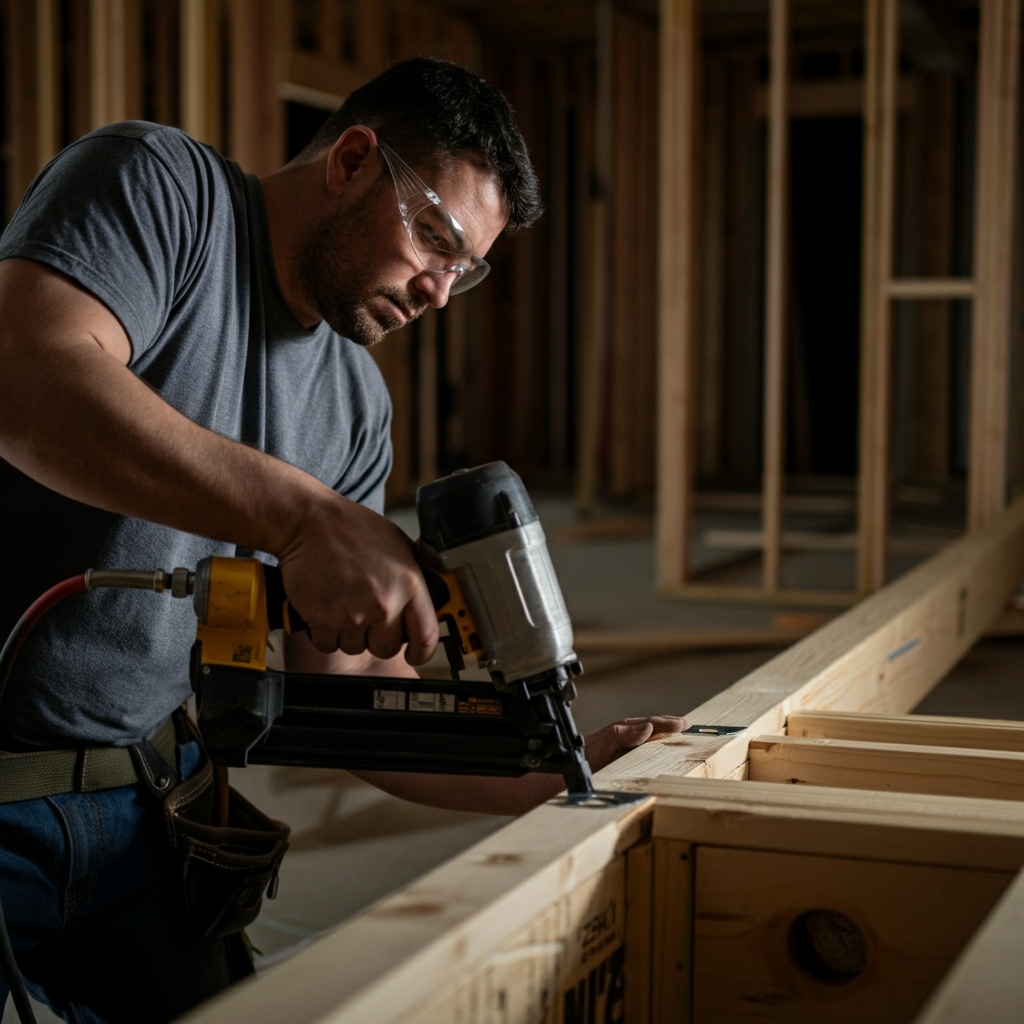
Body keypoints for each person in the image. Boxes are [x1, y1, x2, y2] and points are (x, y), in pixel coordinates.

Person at [0, 57, 684, 1023]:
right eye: (436, 240)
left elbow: (345, 694)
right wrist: (305, 516)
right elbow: (28, 380)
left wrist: (544, 772)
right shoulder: (159, 188)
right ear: (354, 159)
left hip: (144, 801)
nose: (441, 293)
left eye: (466, 270)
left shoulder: (356, 405)